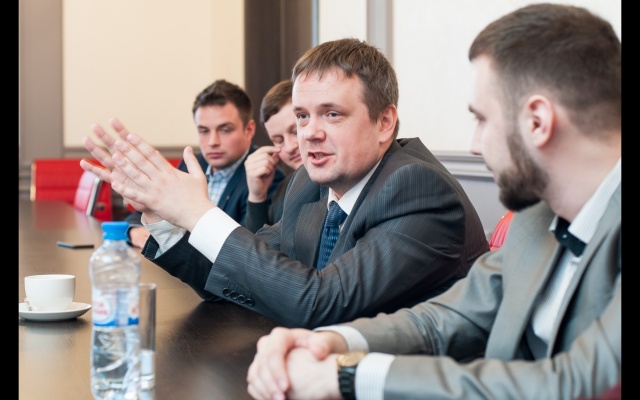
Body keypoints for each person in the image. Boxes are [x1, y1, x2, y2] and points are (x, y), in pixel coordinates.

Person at [245, 3, 621, 400]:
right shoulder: (536, 217)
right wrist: (331, 342)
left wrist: (349, 376)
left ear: (538, 121)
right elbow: (444, 317)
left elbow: (574, 384)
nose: (475, 146)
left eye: (482, 119)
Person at [80, 38, 489, 329]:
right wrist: (163, 216)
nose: (309, 133)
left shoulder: (417, 188)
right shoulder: (308, 185)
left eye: (331, 114)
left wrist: (199, 214)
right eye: (302, 116)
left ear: (384, 122)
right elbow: (241, 276)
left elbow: (321, 305)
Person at [124, 79, 286, 248]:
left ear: (249, 130)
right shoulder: (193, 164)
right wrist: (134, 230)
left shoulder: (264, 175)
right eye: (204, 131)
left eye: (225, 130)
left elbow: (251, 249)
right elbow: (146, 211)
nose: (212, 142)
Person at [244, 79, 303, 233]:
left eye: (295, 132)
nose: (289, 147)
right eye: (278, 140)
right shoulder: (283, 190)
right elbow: (258, 245)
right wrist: (257, 196)